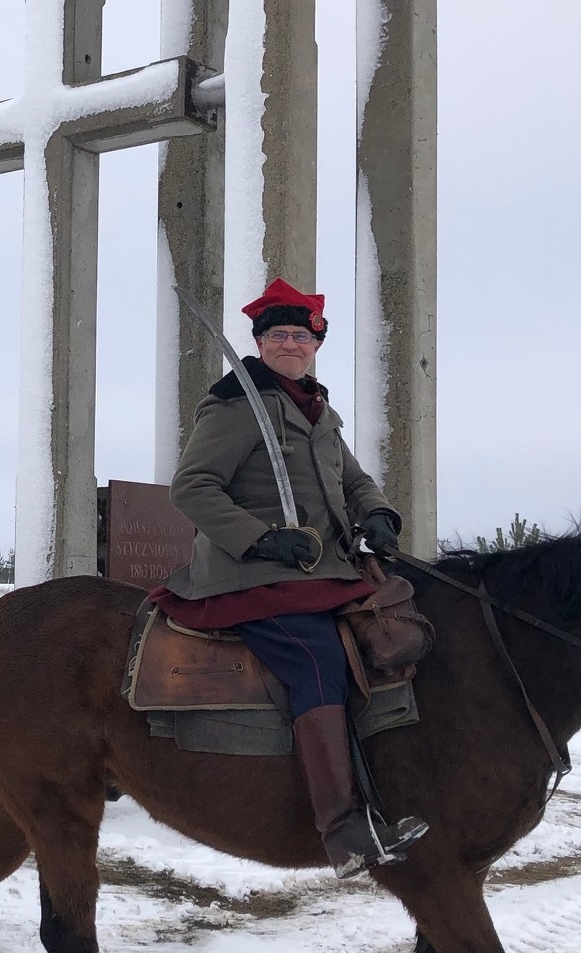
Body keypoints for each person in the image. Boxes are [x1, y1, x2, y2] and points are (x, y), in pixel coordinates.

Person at [148, 278, 428, 878]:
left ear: (316, 344)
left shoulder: (320, 413)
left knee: (397, 636)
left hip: (324, 569)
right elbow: (191, 486)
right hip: (249, 575)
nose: (290, 344)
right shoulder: (235, 403)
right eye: (278, 335)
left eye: (301, 335)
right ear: (259, 341)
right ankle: (344, 832)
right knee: (317, 657)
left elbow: (352, 481)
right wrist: (257, 537)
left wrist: (376, 513)